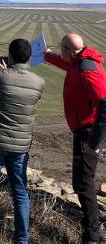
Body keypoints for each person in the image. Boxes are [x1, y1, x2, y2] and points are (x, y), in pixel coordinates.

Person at [0, 39, 45, 244]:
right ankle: (22, 238)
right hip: (20, 146)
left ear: (10, 56)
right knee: (20, 191)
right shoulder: (39, 82)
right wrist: (4, 71)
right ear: (29, 57)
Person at [45, 34, 106, 244]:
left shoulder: (87, 70)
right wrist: (45, 55)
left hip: (87, 133)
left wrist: (94, 143)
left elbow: (105, 104)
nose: (58, 51)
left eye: (59, 48)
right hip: (83, 130)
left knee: (83, 182)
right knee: (80, 181)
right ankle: (91, 232)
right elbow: (64, 63)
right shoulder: (77, 61)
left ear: (68, 50)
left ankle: (92, 236)